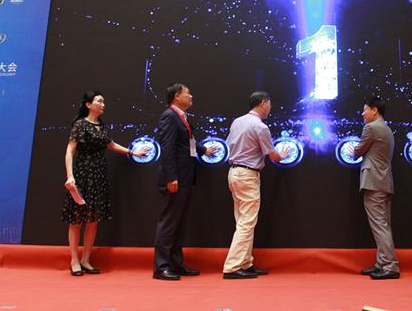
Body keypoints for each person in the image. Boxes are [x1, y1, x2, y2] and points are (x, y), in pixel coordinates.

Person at [63, 90, 147, 276]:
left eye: (103, 102)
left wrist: (132, 152)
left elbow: (111, 145)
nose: (103, 104)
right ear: (88, 105)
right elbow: (70, 151)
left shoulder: (101, 125)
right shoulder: (80, 124)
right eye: (99, 101)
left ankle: (86, 260)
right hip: (82, 174)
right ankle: (74, 260)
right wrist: (70, 176)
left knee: (93, 220)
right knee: (76, 220)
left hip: (99, 175)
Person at [222, 91, 289, 279]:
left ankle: (245, 263)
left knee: (243, 220)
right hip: (247, 174)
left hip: (234, 172)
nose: (270, 108)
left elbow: (229, 144)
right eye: (270, 104)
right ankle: (232, 266)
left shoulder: (237, 121)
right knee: (247, 222)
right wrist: (282, 155)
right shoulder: (260, 126)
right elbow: (273, 155)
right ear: (263, 103)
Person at [153, 83, 216, 281]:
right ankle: (161, 267)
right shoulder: (169, 116)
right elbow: (168, 148)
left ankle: (176, 264)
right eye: (187, 93)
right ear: (176, 96)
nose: (191, 96)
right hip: (175, 179)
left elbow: (186, 143)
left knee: (179, 223)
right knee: (169, 222)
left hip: (185, 177)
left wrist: (203, 150)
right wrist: (171, 177)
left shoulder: (181, 117)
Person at [352, 96, 400, 280]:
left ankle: (390, 266)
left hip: (374, 182)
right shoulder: (386, 128)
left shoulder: (371, 128)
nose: (362, 113)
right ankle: (382, 263)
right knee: (383, 224)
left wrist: (353, 151)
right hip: (384, 181)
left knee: (379, 226)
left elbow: (358, 151)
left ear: (374, 110)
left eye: (365, 109)